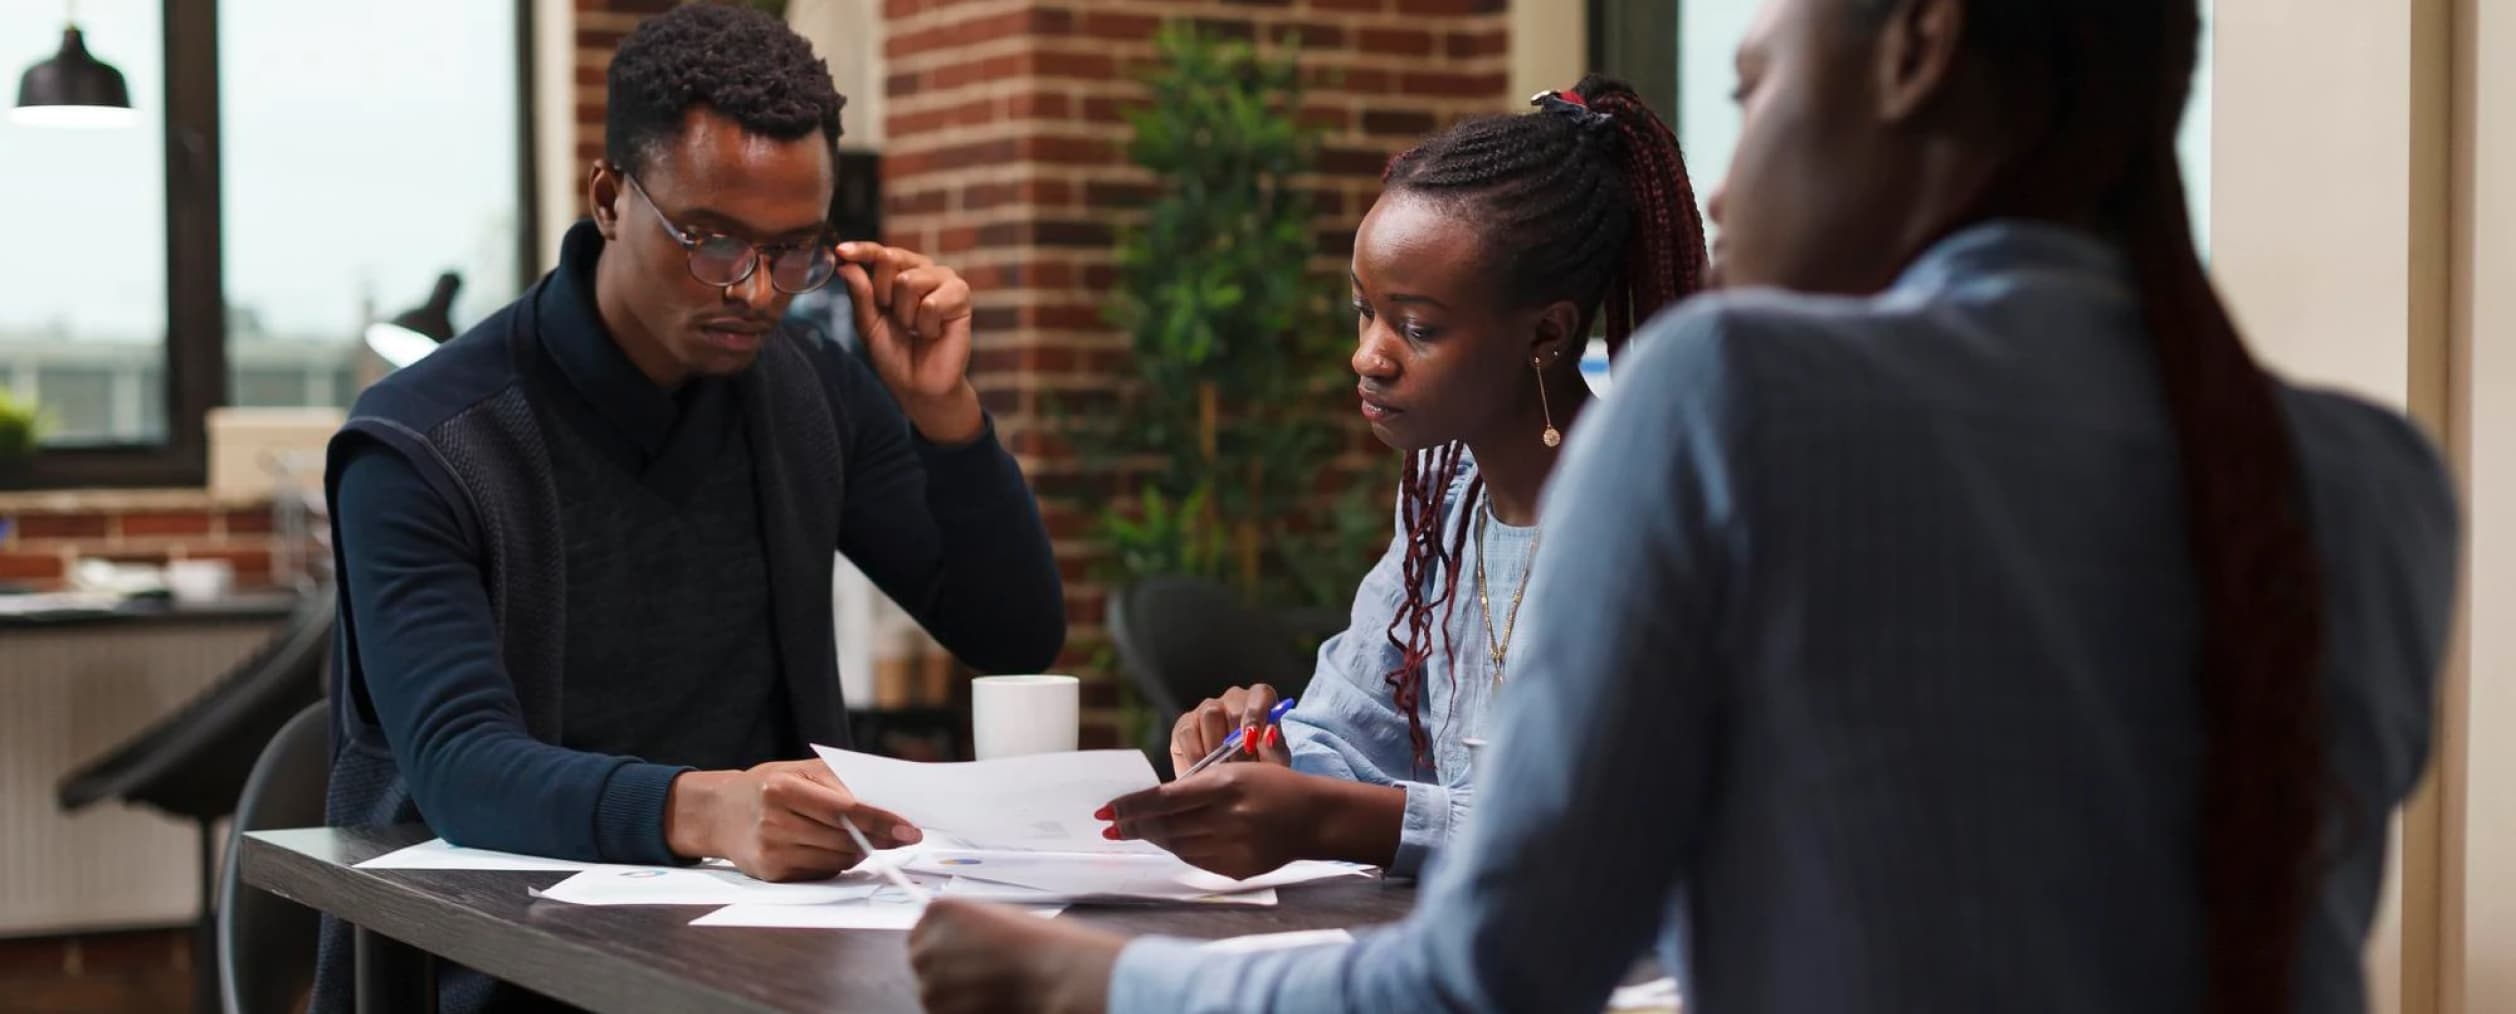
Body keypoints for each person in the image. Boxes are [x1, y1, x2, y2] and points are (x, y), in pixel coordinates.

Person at [905, 0, 2462, 1011]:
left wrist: (1079, 980)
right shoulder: (2375, 477)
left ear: (1916, 49)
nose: (1716, 190)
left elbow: (1493, 978)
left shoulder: (1725, 394)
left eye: (1752, 85)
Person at [319, 6, 1062, 1012]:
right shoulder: (426, 443)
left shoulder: (807, 389)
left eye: (794, 249)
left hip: (763, 956)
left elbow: (1012, 633)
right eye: (713, 241)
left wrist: (943, 414)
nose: (757, 292)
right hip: (491, 966)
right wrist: (704, 810)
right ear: (609, 197)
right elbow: (461, 769)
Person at [1093, 77, 1708, 882]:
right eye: (1363, 312)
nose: (1368, 356)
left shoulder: (1651, 520)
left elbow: (1605, 821)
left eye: (1416, 328)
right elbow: (1349, 729)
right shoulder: (1445, 494)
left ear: (1549, 332)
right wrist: (1269, 758)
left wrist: (1339, 819)